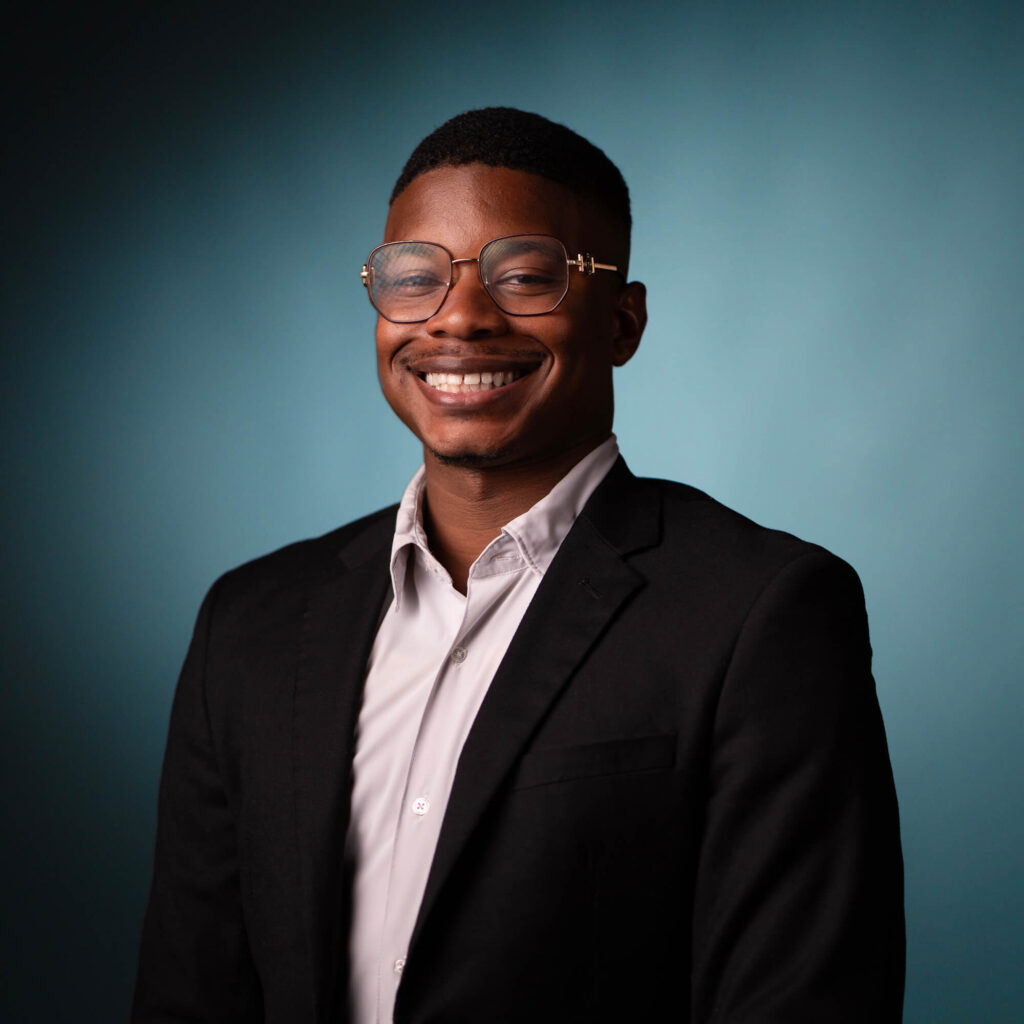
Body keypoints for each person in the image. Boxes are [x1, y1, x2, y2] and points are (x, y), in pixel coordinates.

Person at [132, 107, 904, 1023]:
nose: (458, 315)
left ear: (623, 322)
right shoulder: (250, 624)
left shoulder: (761, 614)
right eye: (415, 277)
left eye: (528, 275)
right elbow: (189, 995)